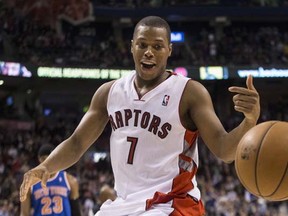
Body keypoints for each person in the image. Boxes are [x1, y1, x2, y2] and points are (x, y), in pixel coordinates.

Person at [20, 16, 260, 216]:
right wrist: (45, 166)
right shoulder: (109, 92)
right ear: (132, 45)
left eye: (157, 46)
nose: (149, 52)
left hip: (173, 203)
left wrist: (248, 121)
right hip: (125, 204)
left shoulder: (189, 92)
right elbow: (77, 143)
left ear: (169, 50)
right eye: (142, 45)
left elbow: (224, 150)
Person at [20, 144, 82, 216]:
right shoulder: (30, 183)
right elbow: (24, 214)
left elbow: (76, 212)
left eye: (50, 158)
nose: (47, 161)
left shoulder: (70, 180)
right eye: (43, 158)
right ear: (39, 159)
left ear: (55, 158)